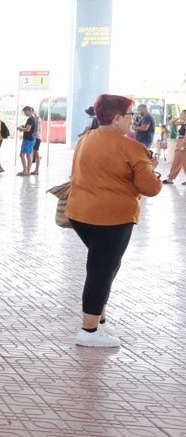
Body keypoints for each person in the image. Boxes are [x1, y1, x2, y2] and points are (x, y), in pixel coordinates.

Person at [66, 95, 161, 348]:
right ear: (118, 118)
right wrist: (153, 168)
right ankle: (89, 330)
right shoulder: (132, 147)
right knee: (101, 270)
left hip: (80, 214)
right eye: (131, 116)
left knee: (105, 266)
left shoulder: (86, 138)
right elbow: (149, 188)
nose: (134, 121)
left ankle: (100, 320)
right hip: (112, 219)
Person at [163, 110, 186, 185]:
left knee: (184, 162)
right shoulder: (183, 122)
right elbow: (169, 123)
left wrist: (181, 145)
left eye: (182, 114)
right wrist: (178, 117)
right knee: (177, 161)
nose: (181, 115)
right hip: (180, 141)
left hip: (183, 143)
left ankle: (171, 178)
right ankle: (170, 178)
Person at [18, 106, 38, 176]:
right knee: (29, 155)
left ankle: (25, 170)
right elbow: (30, 129)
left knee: (22, 154)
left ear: (28, 110)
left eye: (25, 112)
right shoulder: (35, 118)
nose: (24, 113)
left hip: (28, 139)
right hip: (32, 139)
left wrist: (20, 128)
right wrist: (24, 127)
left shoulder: (30, 119)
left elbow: (28, 129)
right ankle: (28, 170)